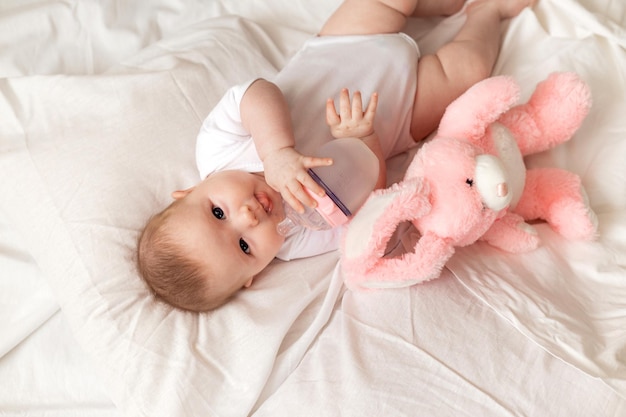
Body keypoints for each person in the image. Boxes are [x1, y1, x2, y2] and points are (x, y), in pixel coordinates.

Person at [137, 0, 536, 312]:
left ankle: (439, 6)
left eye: (217, 213)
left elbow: (256, 93)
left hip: (344, 45)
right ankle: (488, 12)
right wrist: (365, 139)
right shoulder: (299, 238)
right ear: (252, 277)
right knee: (466, 70)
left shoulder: (217, 151)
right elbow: (367, 198)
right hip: (400, 111)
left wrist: (277, 152)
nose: (248, 218)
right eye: (245, 247)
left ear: (188, 190)